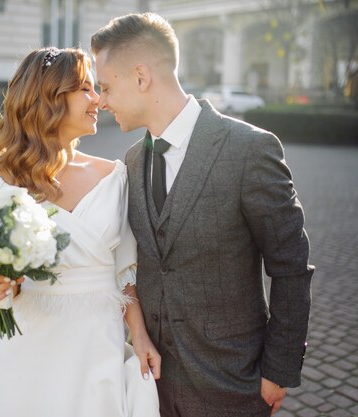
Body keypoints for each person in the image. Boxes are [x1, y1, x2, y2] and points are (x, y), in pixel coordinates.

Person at [90, 13, 314, 417]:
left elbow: (291, 268)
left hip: (234, 384)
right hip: (154, 388)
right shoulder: (132, 162)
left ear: (141, 76)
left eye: (105, 87)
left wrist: (278, 370)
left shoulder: (249, 150)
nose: (100, 101)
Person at [0, 47, 161, 417]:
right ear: (50, 97)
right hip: (31, 344)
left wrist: (139, 337)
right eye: (86, 89)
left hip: (98, 342)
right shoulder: (0, 184)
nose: (98, 99)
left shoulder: (114, 175)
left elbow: (126, 272)